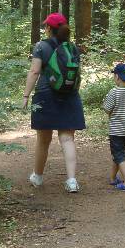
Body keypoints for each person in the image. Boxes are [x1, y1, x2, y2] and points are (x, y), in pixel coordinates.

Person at [23, 12, 85, 192]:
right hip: (70, 95)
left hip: (45, 95)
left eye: (45, 26)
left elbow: (34, 72)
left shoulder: (41, 46)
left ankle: (37, 177)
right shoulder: (73, 48)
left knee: (43, 139)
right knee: (67, 138)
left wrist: (26, 95)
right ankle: (71, 181)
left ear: (49, 28)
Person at [102, 62, 125, 191]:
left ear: (117, 76)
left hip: (116, 129)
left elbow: (107, 109)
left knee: (119, 154)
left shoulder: (114, 92)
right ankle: (112, 178)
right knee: (118, 153)